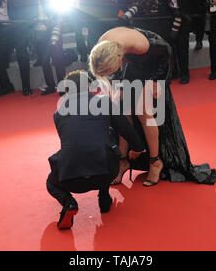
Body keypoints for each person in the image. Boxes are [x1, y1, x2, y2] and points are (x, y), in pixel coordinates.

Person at [89, 27, 216, 187]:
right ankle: (123, 162)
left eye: (107, 72)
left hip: (150, 64)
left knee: (144, 114)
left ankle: (155, 162)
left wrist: (158, 80)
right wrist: (117, 85)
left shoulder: (141, 45)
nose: (106, 76)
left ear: (117, 61)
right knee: (123, 113)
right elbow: (110, 72)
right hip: (130, 63)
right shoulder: (102, 46)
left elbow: (167, 51)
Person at [47, 70, 145, 229]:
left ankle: (69, 202)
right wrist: (137, 149)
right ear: (89, 86)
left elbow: (72, 143)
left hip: (71, 179)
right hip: (106, 172)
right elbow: (126, 129)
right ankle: (104, 196)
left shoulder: (58, 114)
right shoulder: (104, 102)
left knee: (51, 183)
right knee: (105, 139)